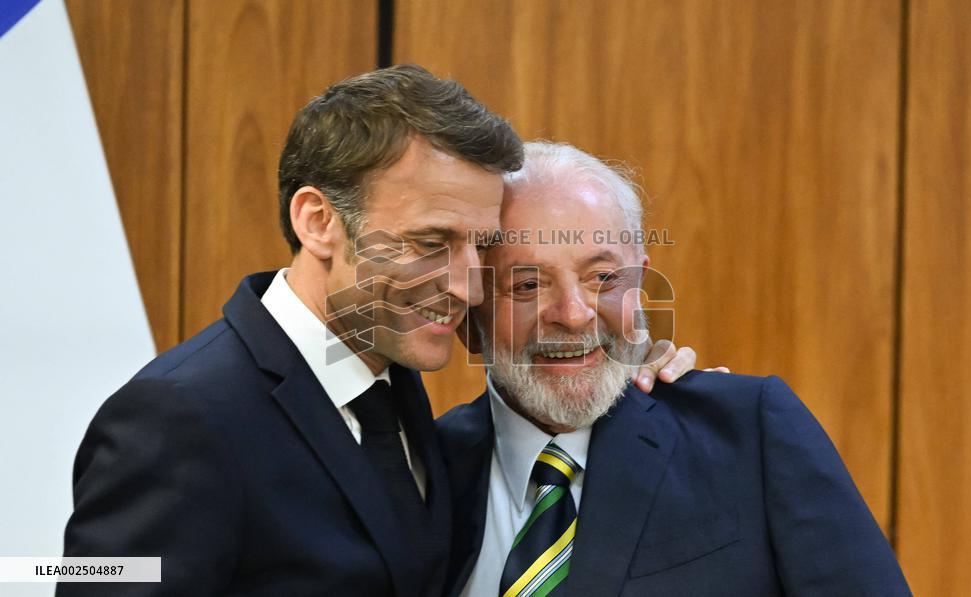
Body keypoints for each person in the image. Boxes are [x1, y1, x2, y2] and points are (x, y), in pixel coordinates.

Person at [58, 66, 696, 596]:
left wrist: (649, 384)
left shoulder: (395, 390)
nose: (468, 285)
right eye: (430, 242)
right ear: (318, 221)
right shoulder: (178, 416)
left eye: (479, 247)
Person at [438, 141, 912, 596]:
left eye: (603, 277)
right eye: (527, 286)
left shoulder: (746, 433)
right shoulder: (425, 469)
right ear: (471, 316)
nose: (574, 313)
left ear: (640, 283)